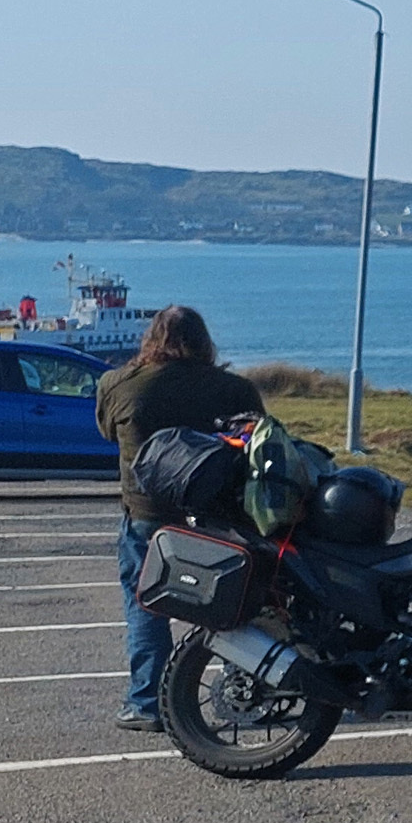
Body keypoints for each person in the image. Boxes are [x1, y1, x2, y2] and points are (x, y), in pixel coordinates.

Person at [93, 306, 265, 732]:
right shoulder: (233, 388)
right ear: (204, 339)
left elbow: (107, 432)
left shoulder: (119, 384)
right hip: (216, 515)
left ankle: (146, 702)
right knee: (233, 604)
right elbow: (257, 438)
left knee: (146, 605)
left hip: (148, 514)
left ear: (151, 337)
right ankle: (249, 688)